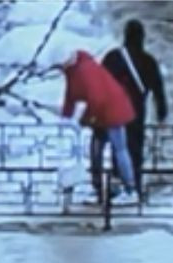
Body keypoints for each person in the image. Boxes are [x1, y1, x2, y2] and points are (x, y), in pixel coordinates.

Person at [57, 48, 139, 204]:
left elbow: (97, 98)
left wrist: (87, 119)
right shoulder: (72, 69)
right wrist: (66, 116)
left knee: (119, 149)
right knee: (96, 151)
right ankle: (99, 190)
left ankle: (130, 190)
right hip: (101, 114)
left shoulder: (85, 70)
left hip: (114, 111)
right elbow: (71, 95)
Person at [99, 20, 168, 201]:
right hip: (137, 111)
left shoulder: (113, 58)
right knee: (135, 148)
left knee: (118, 149)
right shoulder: (148, 61)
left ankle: (118, 186)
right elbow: (158, 88)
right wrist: (161, 110)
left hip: (114, 111)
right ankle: (134, 184)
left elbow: (100, 84)